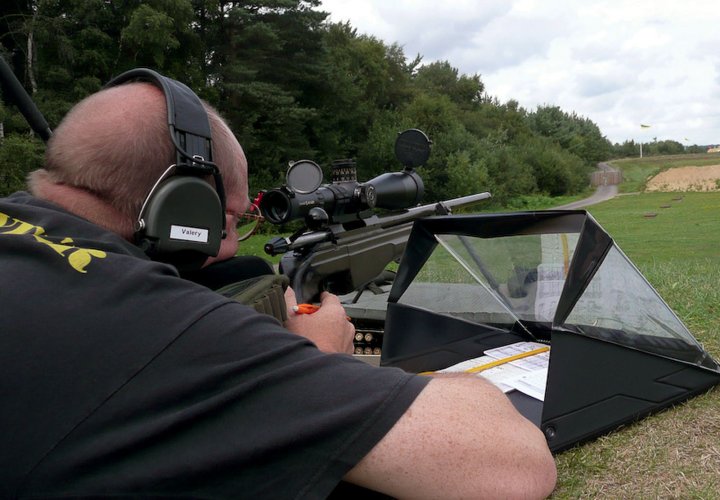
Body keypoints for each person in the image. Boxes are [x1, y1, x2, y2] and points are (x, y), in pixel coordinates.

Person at [0, 77, 556, 498]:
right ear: (183, 208)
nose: (231, 246)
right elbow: (511, 466)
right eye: (231, 220)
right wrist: (316, 360)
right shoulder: (167, 327)